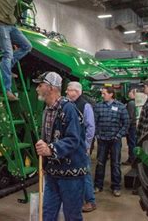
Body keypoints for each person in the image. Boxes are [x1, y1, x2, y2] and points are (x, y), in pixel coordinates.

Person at [34, 72, 88, 221]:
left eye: (40, 85)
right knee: (47, 213)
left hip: (71, 175)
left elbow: (73, 139)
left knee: (72, 215)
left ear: (51, 88)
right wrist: (45, 164)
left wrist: (50, 149)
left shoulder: (68, 109)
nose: (37, 89)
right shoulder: (47, 110)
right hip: (52, 173)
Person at [66, 82, 96, 213]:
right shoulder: (68, 104)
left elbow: (90, 127)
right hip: (70, 146)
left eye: (69, 90)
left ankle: (90, 201)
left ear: (77, 92)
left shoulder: (85, 106)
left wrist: (87, 145)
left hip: (81, 147)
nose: (67, 92)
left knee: (85, 173)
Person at [93, 86, 129, 197]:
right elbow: (94, 122)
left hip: (115, 140)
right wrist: (97, 135)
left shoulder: (121, 107)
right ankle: (98, 185)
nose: (102, 95)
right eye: (102, 93)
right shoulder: (98, 106)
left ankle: (116, 187)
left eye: (104, 93)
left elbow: (126, 123)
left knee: (116, 164)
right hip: (102, 140)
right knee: (100, 163)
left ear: (111, 94)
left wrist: (118, 136)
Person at [122, 89, 137, 165]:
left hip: (131, 127)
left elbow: (129, 117)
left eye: (130, 92)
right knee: (133, 142)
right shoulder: (135, 102)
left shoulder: (131, 103)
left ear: (134, 94)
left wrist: (126, 127)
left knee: (131, 143)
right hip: (134, 126)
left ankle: (131, 159)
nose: (128, 93)